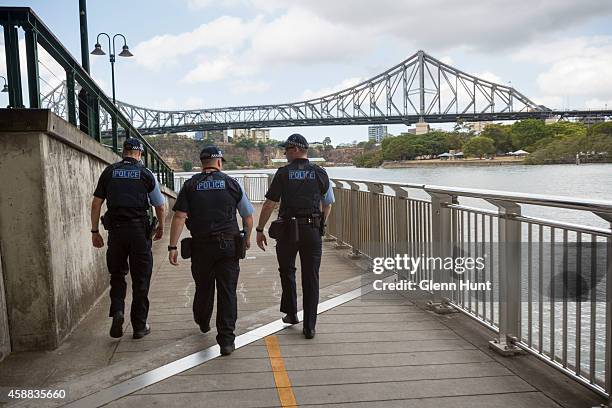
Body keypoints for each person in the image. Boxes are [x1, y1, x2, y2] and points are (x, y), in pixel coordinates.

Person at [168, 146, 254, 356]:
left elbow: (179, 216)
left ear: (202, 163)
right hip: (229, 246)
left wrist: (172, 246)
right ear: (219, 162)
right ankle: (226, 340)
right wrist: (247, 237)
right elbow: (248, 216)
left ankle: (203, 321)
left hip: (201, 247)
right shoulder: (232, 184)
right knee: (227, 291)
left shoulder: (190, 185)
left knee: (203, 287)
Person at [256, 134, 334, 339]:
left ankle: (291, 314)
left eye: (287, 150)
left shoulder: (282, 174)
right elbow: (328, 203)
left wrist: (259, 229)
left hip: (288, 230)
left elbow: (269, 203)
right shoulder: (320, 173)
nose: (284, 153)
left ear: (296, 150)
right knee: (311, 278)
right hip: (312, 230)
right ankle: (310, 326)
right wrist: (321, 224)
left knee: (287, 271)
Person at [91, 138, 165, 339]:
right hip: (139, 232)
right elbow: (159, 205)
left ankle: (117, 311)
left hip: (116, 232)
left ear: (123, 152)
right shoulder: (145, 174)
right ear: (140, 154)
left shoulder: (109, 172)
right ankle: (139, 327)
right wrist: (161, 228)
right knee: (141, 279)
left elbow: (96, 203)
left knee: (117, 275)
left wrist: (94, 231)